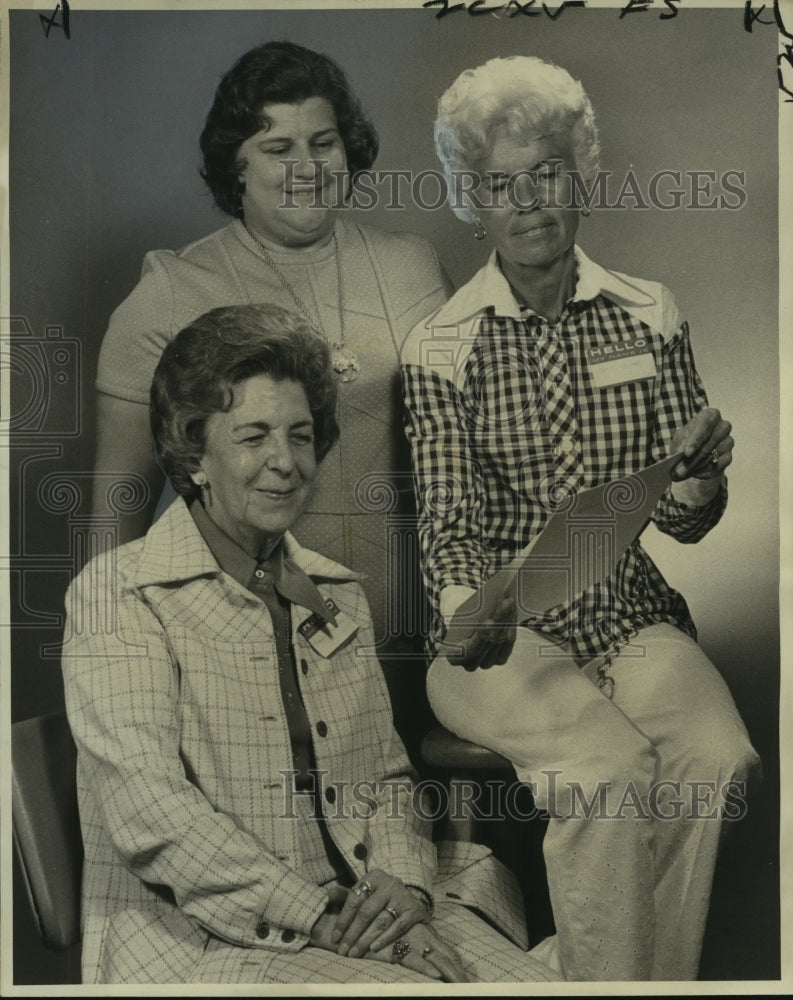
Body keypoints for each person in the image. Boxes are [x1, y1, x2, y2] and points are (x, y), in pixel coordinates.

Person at [61, 303, 560, 986]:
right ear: (193, 452)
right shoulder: (119, 595)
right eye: (253, 436)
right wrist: (327, 919)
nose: (285, 463)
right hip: (202, 939)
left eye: (300, 436)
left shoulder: (334, 592)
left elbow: (385, 781)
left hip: (359, 908)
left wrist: (406, 895)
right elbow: (155, 817)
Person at [400, 55, 761, 982]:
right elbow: (446, 518)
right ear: (470, 202)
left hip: (627, 615)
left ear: (580, 176)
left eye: (546, 172)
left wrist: (697, 481)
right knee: (603, 773)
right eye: (498, 183)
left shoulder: (650, 314)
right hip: (495, 633)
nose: (527, 202)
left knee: (715, 760)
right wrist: (465, 607)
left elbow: (685, 522)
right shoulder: (441, 344)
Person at [92, 40, 451, 652]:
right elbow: (116, 505)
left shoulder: (412, 266)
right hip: (249, 637)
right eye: (278, 148)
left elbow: (470, 444)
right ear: (236, 165)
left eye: (323, 143)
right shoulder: (171, 293)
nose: (306, 168)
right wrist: (109, 647)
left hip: (420, 622)